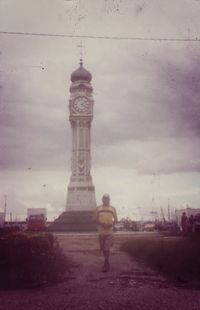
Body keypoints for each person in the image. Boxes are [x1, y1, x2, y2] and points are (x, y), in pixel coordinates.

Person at [94, 193, 118, 272]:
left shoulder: (112, 208)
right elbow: (94, 219)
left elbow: (116, 220)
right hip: (101, 232)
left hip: (109, 232)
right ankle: (106, 262)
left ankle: (106, 264)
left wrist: (112, 224)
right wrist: (102, 223)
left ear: (109, 200)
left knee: (106, 248)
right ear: (102, 199)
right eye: (104, 199)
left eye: (107, 199)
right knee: (103, 249)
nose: (106, 200)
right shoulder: (98, 208)